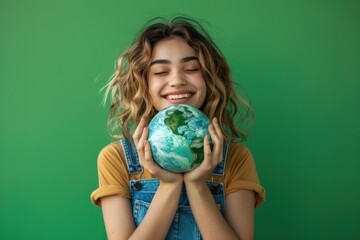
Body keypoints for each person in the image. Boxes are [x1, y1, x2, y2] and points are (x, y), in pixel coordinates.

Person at [91, 17, 265, 240]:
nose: (177, 81)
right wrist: (170, 184)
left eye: (191, 68)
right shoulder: (116, 160)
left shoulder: (235, 159)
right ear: (144, 84)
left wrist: (196, 184)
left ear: (209, 79)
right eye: (161, 72)